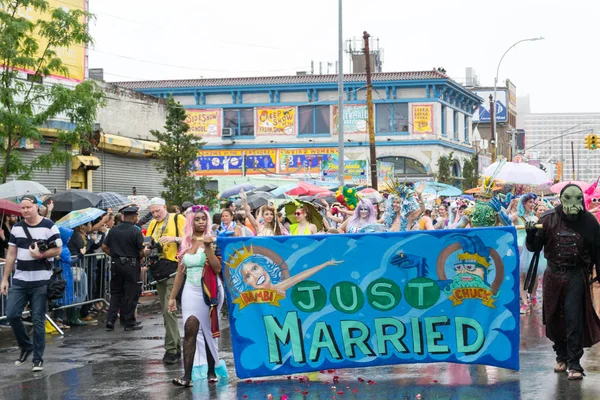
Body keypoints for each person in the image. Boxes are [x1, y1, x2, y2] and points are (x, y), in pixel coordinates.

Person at [525, 184, 600, 380]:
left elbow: (598, 251)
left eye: (577, 199)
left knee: (573, 318)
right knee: (553, 316)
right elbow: (534, 247)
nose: (573, 205)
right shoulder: (548, 219)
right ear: (561, 198)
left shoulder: (590, 222)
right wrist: (531, 233)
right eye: (569, 198)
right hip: (553, 275)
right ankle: (562, 356)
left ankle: (575, 363)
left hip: (576, 275)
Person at [0, 195, 63, 372]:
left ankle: (37, 358)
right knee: (12, 315)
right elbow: (11, 254)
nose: (25, 210)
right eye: (22, 208)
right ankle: (26, 346)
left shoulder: (49, 226)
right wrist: (5, 279)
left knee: (37, 319)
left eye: (28, 207)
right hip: (20, 280)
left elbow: (58, 248)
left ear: (36, 207)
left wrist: (41, 255)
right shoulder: (17, 228)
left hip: (41, 280)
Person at [169, 205, 227, 387]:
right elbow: (180, 273)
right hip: (189, 290)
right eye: (197, 219)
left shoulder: (213, 240)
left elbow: (218, 268)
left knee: (209, 331)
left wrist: (208, 246)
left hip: (210, 290)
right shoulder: (185, 242)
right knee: (190, 329)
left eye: (204, 219)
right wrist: (172, 297)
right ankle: (187, 376)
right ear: (191, 221)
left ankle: (211, 371)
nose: (201, 222)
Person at [145, 197, 185, 364]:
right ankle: (175, 347)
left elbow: (191, 240)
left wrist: (174, 239)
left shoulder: (178, 219)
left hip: (175, 269)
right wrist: (147, 250)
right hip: (159, 270)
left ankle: (171, 349)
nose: (155, 214)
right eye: (152, 212)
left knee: (170, 309)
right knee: (166, 310)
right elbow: (147, 243)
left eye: (158, 211)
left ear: (164, 206)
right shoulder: (153, 224)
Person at [102, 206, 145, 331]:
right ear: (133, 217)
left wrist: (115, 256)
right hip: (131, 265)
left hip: (116, 264)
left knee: (116, 293)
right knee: (130, 293)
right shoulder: (135, 231)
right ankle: (128, 322)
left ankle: (110, 320)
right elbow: (141, 251)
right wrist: (142, 254)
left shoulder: (114, 230)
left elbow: (104, 246)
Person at [513, 193, 538, 314]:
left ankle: (532, 297)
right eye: (530, 202)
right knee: (521, 276)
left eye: (533, 202)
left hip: (532, 248)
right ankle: (524, 302)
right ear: (523, 203)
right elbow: (504, 223)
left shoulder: (536, 219)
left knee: (535, 275)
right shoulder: (516, 216)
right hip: (520, 248)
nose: (532, 205)